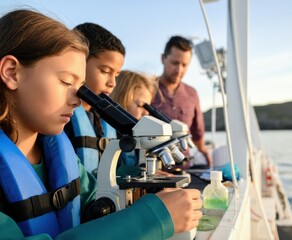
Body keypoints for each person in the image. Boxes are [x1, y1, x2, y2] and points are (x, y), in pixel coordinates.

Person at [0, 9, 202, 239]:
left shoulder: (60, 154)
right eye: (66, 81)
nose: (77, 99)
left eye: (80, 88)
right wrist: (153, 218)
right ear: (12, 73)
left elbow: (95, 207)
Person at [64, 22, 125, 176]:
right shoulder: (62, 119)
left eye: (116, 75)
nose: (113, 83)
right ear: (79, 62)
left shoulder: (104, 121)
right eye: (105, 71)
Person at [152, 35, 213, 167]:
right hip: (152, 169)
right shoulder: (146, 89)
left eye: (184, 65)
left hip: (184, 168)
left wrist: (203, 150)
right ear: (163, 58)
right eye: (175, 63)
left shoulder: (192, 93)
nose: (179, 70)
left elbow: (198, 131)